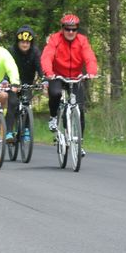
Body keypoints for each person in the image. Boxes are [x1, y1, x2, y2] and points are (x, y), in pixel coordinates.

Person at [41, 14, 98, 157]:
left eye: (74, 29)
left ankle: (79, 144)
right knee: (55, 93)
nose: (71, 32)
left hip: (75, 76)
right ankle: (53, 117)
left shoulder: (82, 41)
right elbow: (47, 56)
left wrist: (91, 72)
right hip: (57, 74)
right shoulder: (55, 39)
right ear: (62, 29)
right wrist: (49, 72)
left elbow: (89, 57)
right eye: (68, 29)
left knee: (79, 108)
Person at [6, 25, 44, 142]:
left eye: (27, 42)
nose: (25, 44)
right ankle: (9, 132)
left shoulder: (35, 52)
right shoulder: (11, 51)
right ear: (18, 42)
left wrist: (44, 79)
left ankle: (26, 129)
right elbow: (5, 67)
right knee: (12, 103)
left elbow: (40, 67)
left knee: (26, 103)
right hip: (13, 82)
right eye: (22, 42)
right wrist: (7, 81)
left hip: (27, 82)